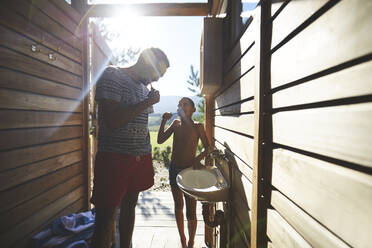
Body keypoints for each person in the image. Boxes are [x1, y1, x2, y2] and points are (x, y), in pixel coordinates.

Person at [90, 47, 170, 248]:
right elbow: (113, 120)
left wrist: (147, 102)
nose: (158, 79)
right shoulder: (112, 75)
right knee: (106, 216)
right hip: (114, 158)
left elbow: (140, 123)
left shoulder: (144, 89)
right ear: (145, 61)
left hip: (140, 156)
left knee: (130, 205)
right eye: (157, 73)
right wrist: (147, 103)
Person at [157, 97, 210, 248]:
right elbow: (160, 139)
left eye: (185, 104)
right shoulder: (175, 124)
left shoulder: (198, 127)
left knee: (191, 210)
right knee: (178, 205)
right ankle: (183, 241)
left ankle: (192, 242)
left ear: (193, 110)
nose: (181, 106)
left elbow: (208, 147)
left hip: (189, 171)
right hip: (174, 169)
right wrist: (163, 121)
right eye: (179, 104)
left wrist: (197, 159)